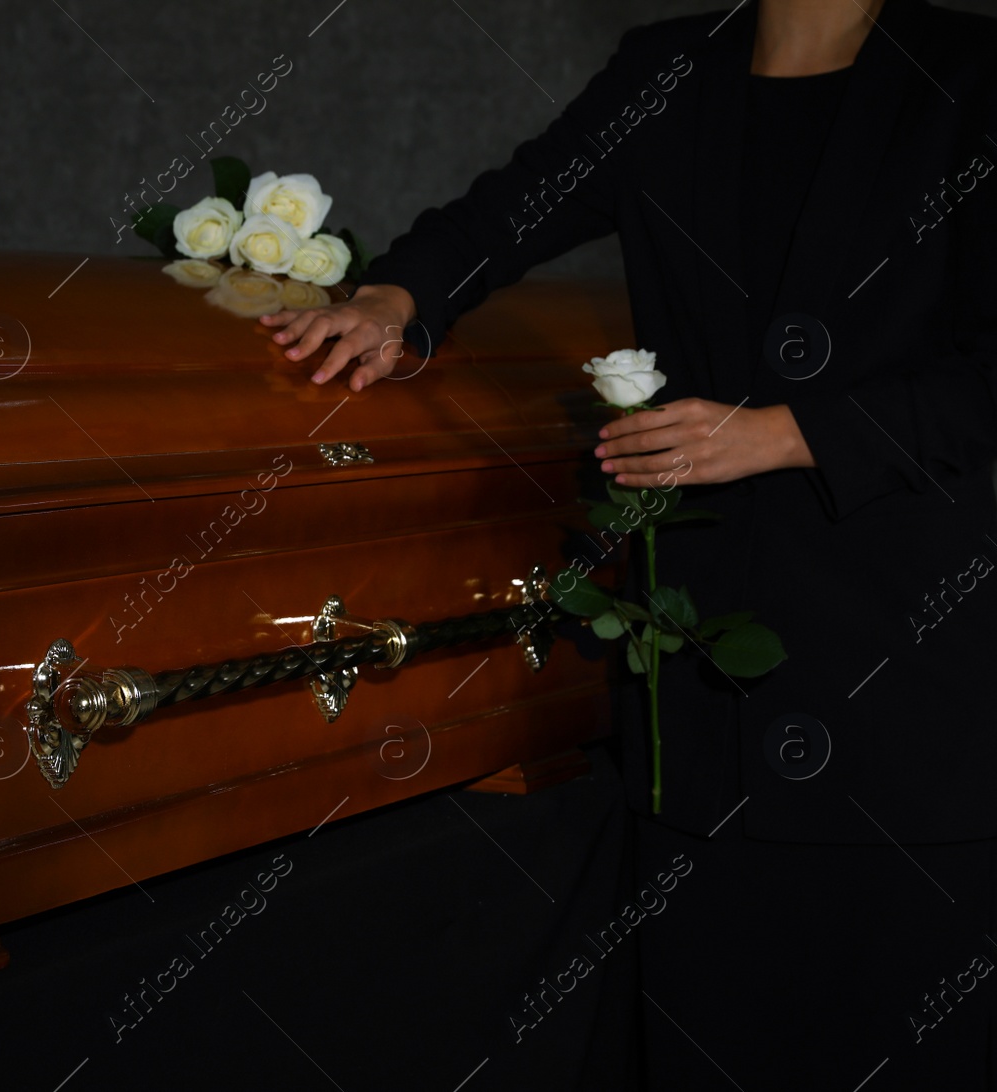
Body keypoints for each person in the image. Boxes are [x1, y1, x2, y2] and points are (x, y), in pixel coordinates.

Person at [263, 0, 997, 1085]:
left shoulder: (975, 74)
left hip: (906, 691)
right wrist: (398, 296)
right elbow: (512, 207)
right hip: (703, 684)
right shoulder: (665, 65)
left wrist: (783, 433)